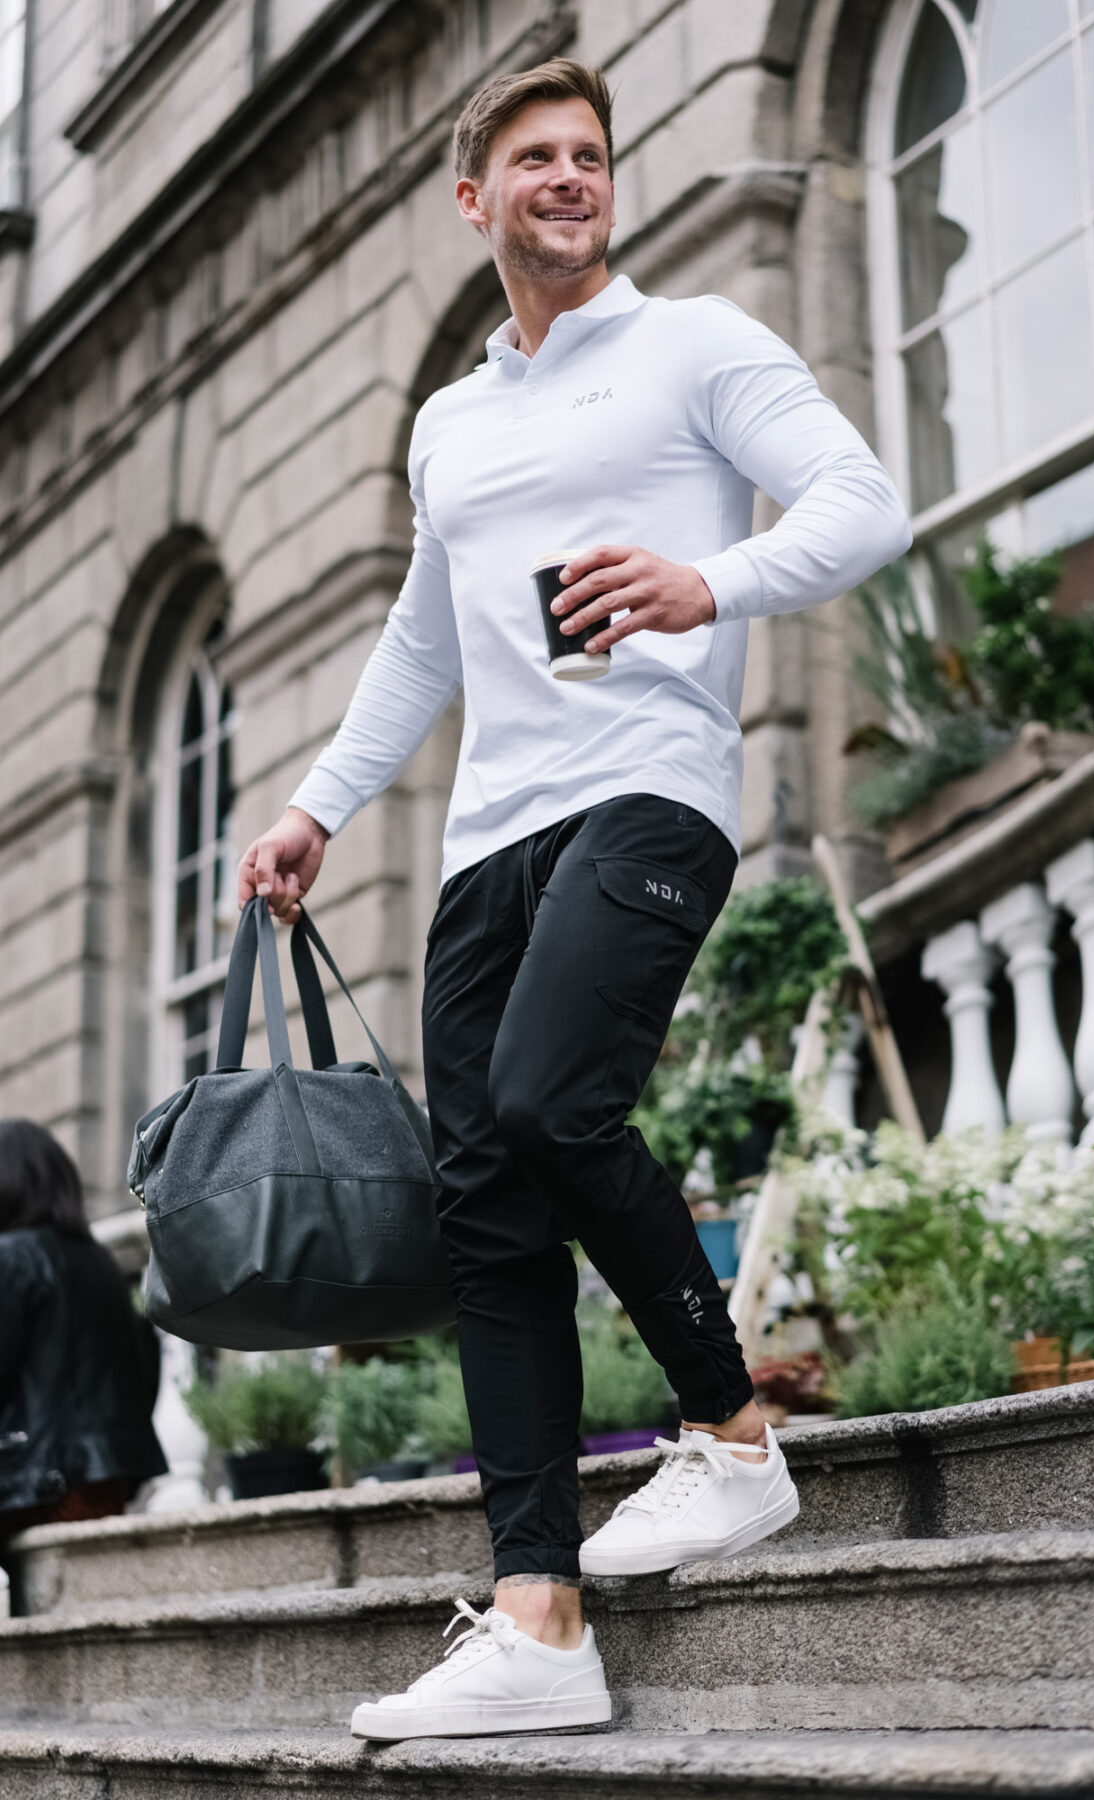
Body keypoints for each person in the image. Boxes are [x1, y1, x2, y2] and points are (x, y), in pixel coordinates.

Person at [237, 58, 912, 1739]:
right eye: (533, 157)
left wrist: (709, 579)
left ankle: (731, 1429)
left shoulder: (694, 346)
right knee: (489, 1219)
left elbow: (860, 503)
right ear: (476, 200)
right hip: (487, 844)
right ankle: (540, 1617)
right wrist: (322, 804)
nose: (568, 175)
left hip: (648, 796)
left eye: (589, 154)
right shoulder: (450, 422)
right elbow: (426, 638)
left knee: (550, 1101)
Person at [0, 1120, 166, 1568]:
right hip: (100, 1479)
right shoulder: (101, 1263)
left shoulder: (12, 1256)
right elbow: (144, 1364)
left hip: (34, 1481)